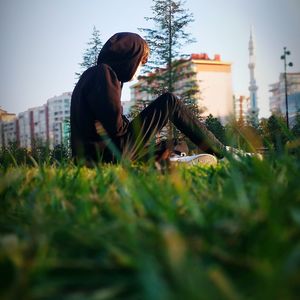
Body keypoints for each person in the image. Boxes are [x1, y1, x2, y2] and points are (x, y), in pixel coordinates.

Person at [71, 32, 227, 165]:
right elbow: (117, 130)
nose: (139, 70)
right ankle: (224, 153)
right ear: (129, 58)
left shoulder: (94, 75)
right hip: (105, 156)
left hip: (100, 155)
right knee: (169, 102)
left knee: (176, 144)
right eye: (141, 62)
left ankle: (173, 160)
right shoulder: (103, 73)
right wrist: (145, 126)